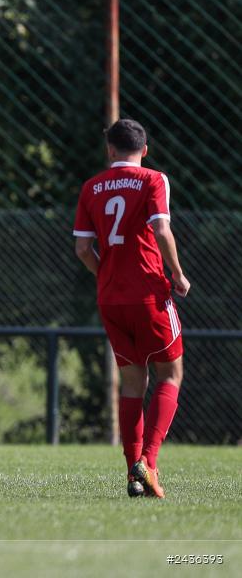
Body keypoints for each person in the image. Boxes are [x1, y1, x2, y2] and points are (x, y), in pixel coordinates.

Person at [73, 119, 191, 498]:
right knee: (170, 375)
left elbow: (81, 249)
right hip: (148, 294)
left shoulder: (91, 187)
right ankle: (149, 463)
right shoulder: (154, 179)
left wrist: (104, 273)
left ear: (110, 149)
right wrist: (178, 274)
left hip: (110, 297)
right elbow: (160, 230)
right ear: (145, 149)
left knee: (132, 382)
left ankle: (132, 475)